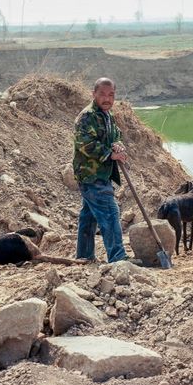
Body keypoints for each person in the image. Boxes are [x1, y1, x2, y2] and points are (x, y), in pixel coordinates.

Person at [73, 77, 130, 263]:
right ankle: (118, 258)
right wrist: (109, 153)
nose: (107, 98)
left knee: (88, 217)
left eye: (111, 95)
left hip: (100, 173)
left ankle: (84, 256)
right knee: (110, 212)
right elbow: (84, 143)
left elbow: (116, 134)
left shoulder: (107, 114)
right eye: (103, 94)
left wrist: (118, 144)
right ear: (94, 94)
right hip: (91, 174)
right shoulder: (87, 116)